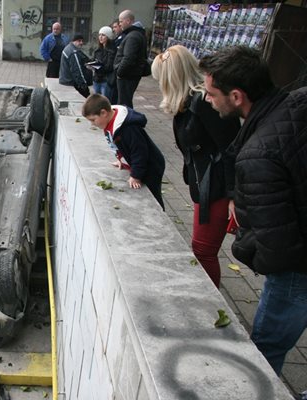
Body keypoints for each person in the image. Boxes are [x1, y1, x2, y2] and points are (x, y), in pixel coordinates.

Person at [199, 46, 307, 375]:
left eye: (211, 93)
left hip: (295, 271)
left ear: (236, 95)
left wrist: (247, 252)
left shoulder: (258, 154)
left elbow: (277, 247)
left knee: (266, 346)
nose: (206, 100)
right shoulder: (299, 102)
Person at [151, 45, 240, 288]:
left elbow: (232, 148)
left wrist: (234, 195)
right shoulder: (190, 102)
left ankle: (210, 301)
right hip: (206, 185)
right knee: (202, 249)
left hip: (218, 187)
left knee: (203, 251)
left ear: (171, 78)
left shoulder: (204, 102)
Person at [82, 93, 165, 209]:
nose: (92, 124)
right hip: (141, 164)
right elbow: (120, 146)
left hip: (151, 166)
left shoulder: (128, 128)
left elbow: (140, 152)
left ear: (103, 113)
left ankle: (160, 214)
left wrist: (136, 175)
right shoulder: (109, 123)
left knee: (154, 195)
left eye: (93, 120)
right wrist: (122, 160)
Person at [113, 10, 148, 108]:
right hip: (130, 74)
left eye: (121, 21)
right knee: (125, 102)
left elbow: (128, 58)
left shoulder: (133, 36)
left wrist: (119, 72)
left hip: (127, 76)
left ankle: (127, 122)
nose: (120, 24)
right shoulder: (135, 34)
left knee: (124, 104)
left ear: (128, 21)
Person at [59, 33, 92, 98]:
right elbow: (77, 70)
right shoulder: (73, 52)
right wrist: (84, 86)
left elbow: (84, 59)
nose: (81, 43)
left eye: (82, 41)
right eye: (79, 41)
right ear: (73, 41)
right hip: (70, 82)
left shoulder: (70, 48)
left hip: (65, 79)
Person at [89, 26, 116, 101]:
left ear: (108, 37)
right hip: (97, 79)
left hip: (106, 80)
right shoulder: (97, 50)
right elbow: (93, 60)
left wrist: (98, 66)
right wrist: (90, 65)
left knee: (105, 102)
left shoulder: (112, 51)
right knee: (96, 102)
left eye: (103, 35)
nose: (100, 37)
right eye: (99, 35)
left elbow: (109, 67)